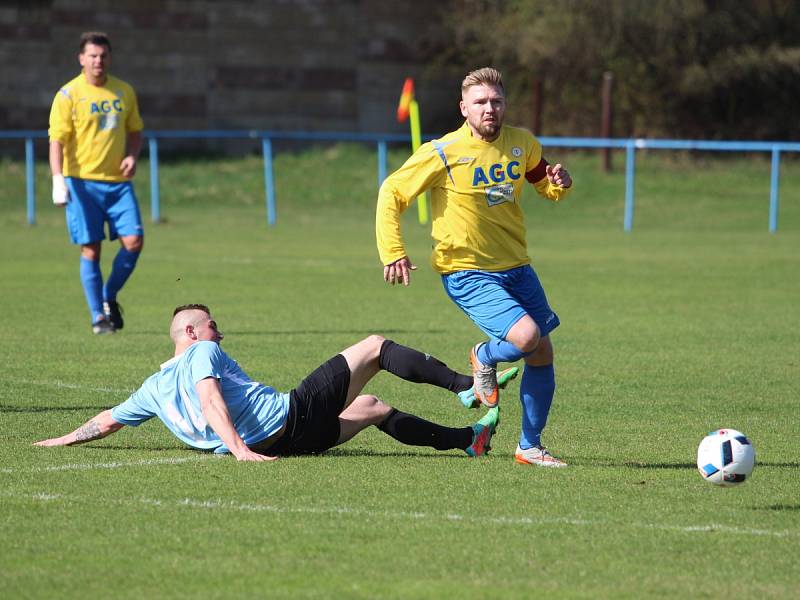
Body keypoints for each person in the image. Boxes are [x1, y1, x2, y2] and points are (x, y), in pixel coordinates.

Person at [376, 67, 573, 468]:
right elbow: (392, 192)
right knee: (527, 337)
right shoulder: (443, 151)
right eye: (481, 102)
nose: (490, 109)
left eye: (496, 101)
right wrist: (392, 249)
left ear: (505, 105)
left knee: (541, 354)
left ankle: (529, 447)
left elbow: (543, 183)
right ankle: (484, 355)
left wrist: (559, 183)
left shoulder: (522, 144)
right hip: (466, 270)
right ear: (464, 108)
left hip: (517, 267)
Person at [34, 304, 511, 460]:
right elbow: (209, 397)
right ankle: (465, 388)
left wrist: (61, 438)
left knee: (370, 406)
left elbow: (107, 422)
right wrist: (239, 448)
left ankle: (469, 440)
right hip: (285, 420)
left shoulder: (150, 390)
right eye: (213, 324)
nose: (220, 332)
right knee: (373, 345)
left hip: (285, 445)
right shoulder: (203, 351)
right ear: (193, 333)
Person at [48, 31, 145, 335]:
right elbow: (57, 141)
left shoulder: (123, 92)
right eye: (92, 55)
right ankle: (97, 317)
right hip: (81, 184)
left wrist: (132, 156)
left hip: (117, 184)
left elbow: (135, 131)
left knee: (134, 242)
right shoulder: (68, 94)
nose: (98, 61)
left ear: (109, 58)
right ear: (81, 59)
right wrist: (57, 179)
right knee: (91, 249)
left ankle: (108, 296)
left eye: (103, 56)